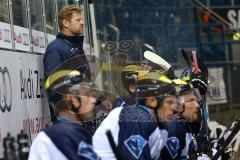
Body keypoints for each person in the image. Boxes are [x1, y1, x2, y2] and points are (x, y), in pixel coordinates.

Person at [29, 55, 112, 160]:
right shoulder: (54, 138)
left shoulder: (74, 134)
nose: (93, 100)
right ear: (71, 99)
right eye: (87, 94)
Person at [92, 71, 181, 160]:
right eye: (169, 102)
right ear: (152, 101)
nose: (175, 109)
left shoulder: (161, 124)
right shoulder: (137, 118)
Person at [44, 5, 85, 79]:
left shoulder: (76, 47)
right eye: (78, 20)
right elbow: (54, 81)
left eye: (82, 20)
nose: (82, 23)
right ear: (65, 23)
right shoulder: (56, 48)